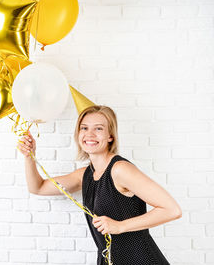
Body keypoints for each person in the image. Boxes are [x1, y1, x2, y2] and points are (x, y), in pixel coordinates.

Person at [17, 105, 182, 265]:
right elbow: (37, 187)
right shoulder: (85, 175)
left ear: (110, 135)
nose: (90, 134)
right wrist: (29, 156)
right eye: (84, 128)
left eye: (98, 129)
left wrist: (119, 226)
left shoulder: (120, 170)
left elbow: (171, 210)